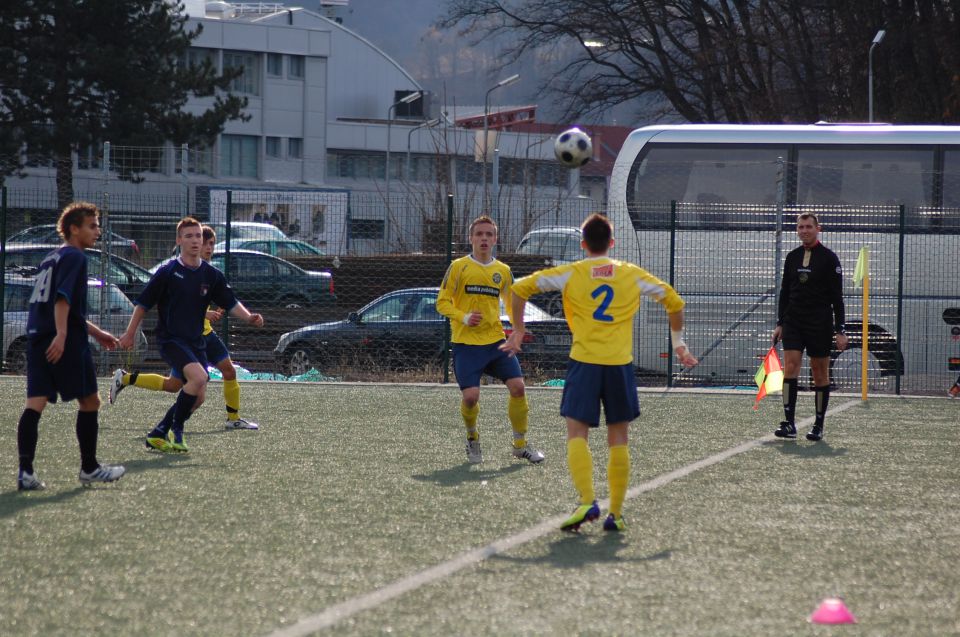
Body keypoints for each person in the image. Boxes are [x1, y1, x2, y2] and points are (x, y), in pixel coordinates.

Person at [502, 213, 698, 532]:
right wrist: (678, 344)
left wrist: (518, 330)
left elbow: (520, 288)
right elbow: (674, 302)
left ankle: (586, 501)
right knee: (618, 437)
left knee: (576, 432)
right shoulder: (630, 274)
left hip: (585, 361)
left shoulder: (571, 273)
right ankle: (616, 514)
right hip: (619, 365)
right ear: (612, 243)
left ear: (583, 244)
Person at [118, 217, 264, 454]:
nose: (195, 241)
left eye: (198, 236)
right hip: (171, 340)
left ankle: (158, 432)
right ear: (179, 241)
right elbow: (143, 304)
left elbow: (230, 301)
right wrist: (129, 333)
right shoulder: (168, 272)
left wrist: (248, 317)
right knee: (197, 378)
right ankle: (176, 432)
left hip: (196, 341)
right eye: (189, 236)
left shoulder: (211, 274)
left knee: (196, 395)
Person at [15, 202, 126, 490]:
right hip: (61, 341)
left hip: (38, 338)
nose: (97, 231)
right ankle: (89, 468)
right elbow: (62, 300)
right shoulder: (76, 257)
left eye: (97, 225)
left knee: (35, 405)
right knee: (90, 401)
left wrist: (96, 331)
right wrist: (63, 335)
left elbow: (61, 305)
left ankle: (25, 472)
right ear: (73, 229)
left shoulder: (52, 256)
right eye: (92, 225)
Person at [435, 215, 545, 465]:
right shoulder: (458, 267)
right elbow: (441, 302)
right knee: (471, 397)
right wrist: (463, 317)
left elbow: (512, 304)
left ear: (495, 239)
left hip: (496, 342)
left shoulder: (503, 271)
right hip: (466, 345)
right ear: (471, 238)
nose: (484, 238)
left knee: (518, 387)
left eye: (488, 234)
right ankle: (472, 438)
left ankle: (520, 445)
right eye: (479, 234)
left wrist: (518, 330)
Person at [772, 213, 849, 442]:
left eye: (808, 227)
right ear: (797, 230)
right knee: (790, 368)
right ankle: (788, 423)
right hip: (793, 321)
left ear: (818, 229)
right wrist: (780, 323)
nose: (804, 230)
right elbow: (785, 292)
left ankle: (818, 425)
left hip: (819, 323)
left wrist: (840, 329)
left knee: (819, 373)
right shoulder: (792, 257)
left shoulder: (829, 259)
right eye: (800, 227)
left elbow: (837, 298)